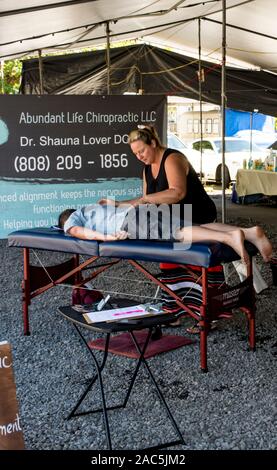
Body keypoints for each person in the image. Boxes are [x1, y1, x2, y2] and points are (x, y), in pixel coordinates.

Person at [58, 205, 273, 266]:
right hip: (141, 212)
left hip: (130, 222)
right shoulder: (93, 207)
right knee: (196, 227)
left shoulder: (72, 218)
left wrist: (105, 238)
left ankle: (229, 238)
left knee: (179, 234)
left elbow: (77, 232)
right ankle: (249, 233)